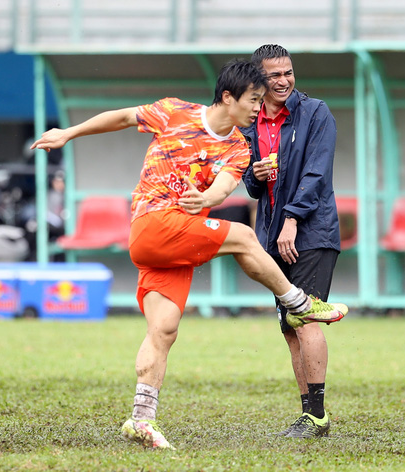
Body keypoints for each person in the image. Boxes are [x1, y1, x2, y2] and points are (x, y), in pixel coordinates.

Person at [30, 59, 348, 450]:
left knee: (163, 328)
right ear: (228, 97)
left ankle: (141, 419)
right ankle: (298, 302)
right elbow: (121, 118)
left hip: (178, 240)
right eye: (252, 99)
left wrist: (207, 198)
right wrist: (69, 133)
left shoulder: (237, 146)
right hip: (152, 224)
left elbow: (222, 190)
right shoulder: (173, 111)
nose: (257, 108)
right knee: (245, 237)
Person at [241, 45, 341, 439]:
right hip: (274, 234)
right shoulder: (251, 121)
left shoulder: (316, 113)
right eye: (274, 75)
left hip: (310, 232)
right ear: (258, 80)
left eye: (288, 72)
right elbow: (249, 185)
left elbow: (316, 175)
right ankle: (308, 414)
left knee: (307, 316)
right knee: (288, 325)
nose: (283, 81)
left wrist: (292, 221)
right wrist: (257, 173)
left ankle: (317, 415)